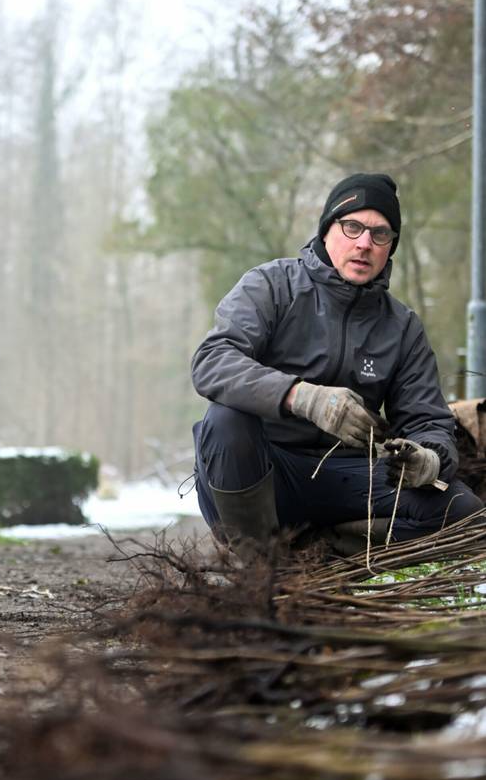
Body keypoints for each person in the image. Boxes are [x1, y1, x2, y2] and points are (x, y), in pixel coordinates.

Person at [190, 172, 483, 557]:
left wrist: (429, 458)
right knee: (225, 420)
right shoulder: (272, 286)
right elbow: (212, 361)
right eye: (352, 227)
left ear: (390, 247)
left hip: (348, 476)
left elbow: (427, 419)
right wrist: (302, 397)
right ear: (327, 230)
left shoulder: (401, 326)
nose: (364, 243)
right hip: (266, 470)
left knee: (463, 512)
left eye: (380, 234)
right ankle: (260, 566)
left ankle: (325, 552)